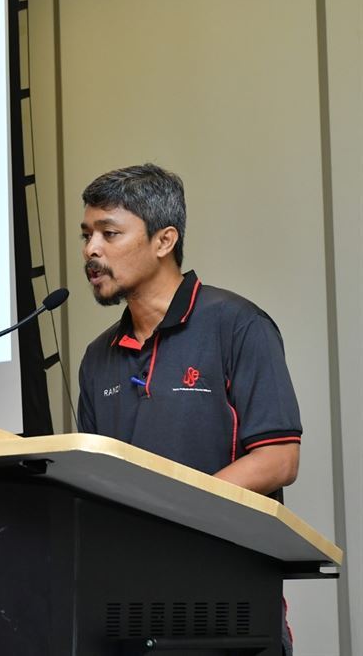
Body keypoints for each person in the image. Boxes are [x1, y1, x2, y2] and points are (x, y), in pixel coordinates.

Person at [76, 163, 301, 652]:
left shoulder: (237, 325)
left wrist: (174, 514)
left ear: (164, 240)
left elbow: (279, 458)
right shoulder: (97, 357)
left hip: (230, 599)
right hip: (127, 607)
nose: (91, 249)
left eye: (109, 233)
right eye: (86, 235)